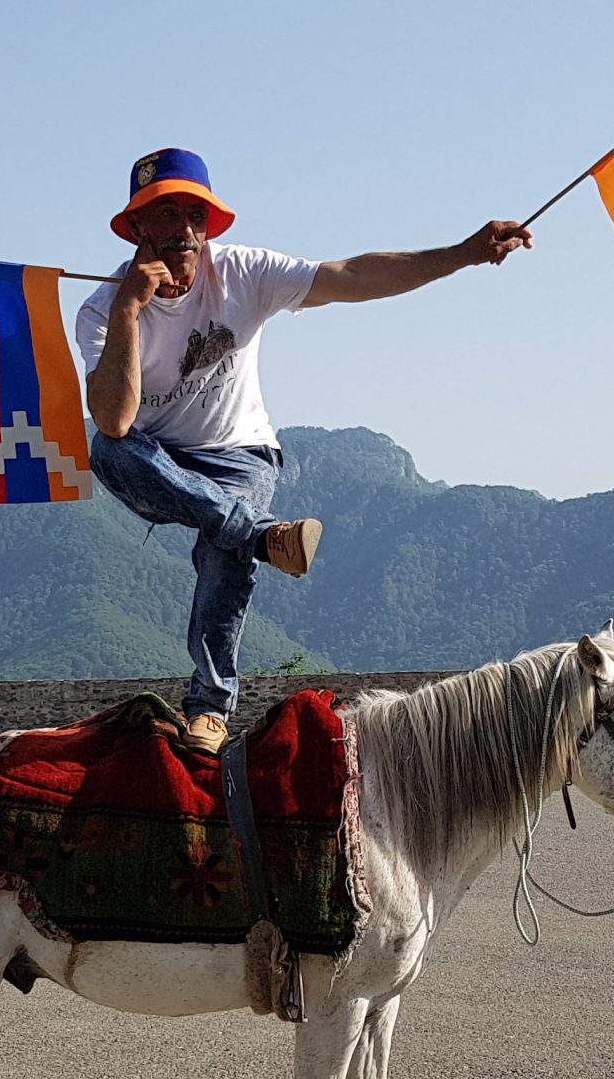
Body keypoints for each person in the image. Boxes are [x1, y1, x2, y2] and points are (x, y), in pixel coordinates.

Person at [77, 147, 531, 753]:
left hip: (239, 454)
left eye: (194, 214)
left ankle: (209, 708)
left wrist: (463, 253)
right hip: (159, 461)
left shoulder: (242, 272)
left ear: (209, 224)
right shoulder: (101, 310)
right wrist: (131, 307)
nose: (182, 229)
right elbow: (114, 417)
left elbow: (352, 276)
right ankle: (264, 535)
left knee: (221, 547)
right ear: (136, 228)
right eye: (163, 215)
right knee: (109, 450)